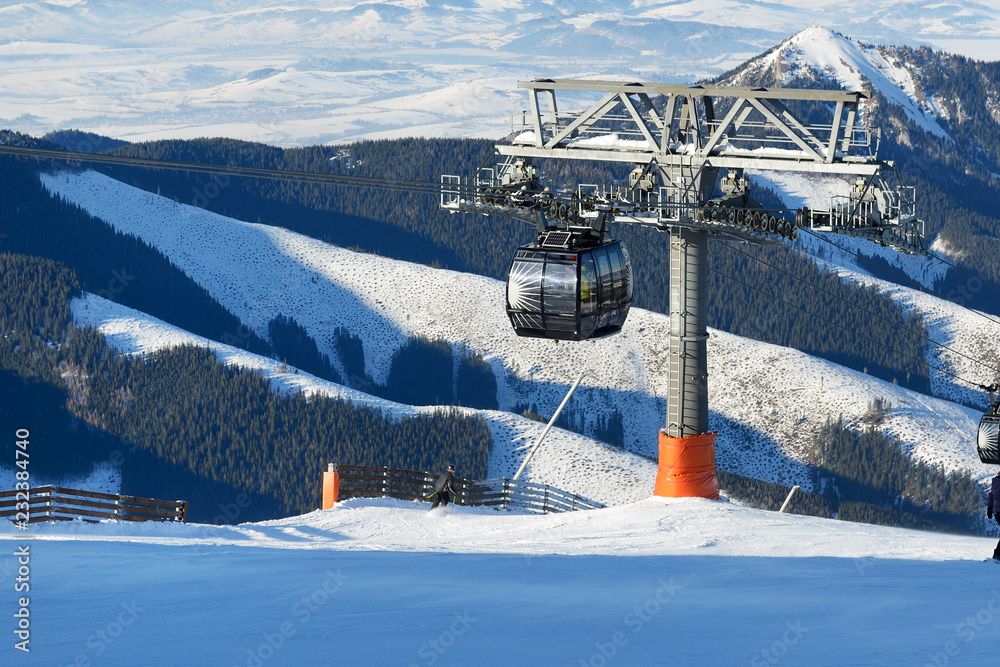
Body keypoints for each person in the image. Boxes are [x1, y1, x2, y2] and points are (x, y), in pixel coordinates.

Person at [988, 469, 1000, 560]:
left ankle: (997, 556)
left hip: (997, 512)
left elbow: (991, 496)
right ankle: (997, 556)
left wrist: (990, 508)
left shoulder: (995, 483)